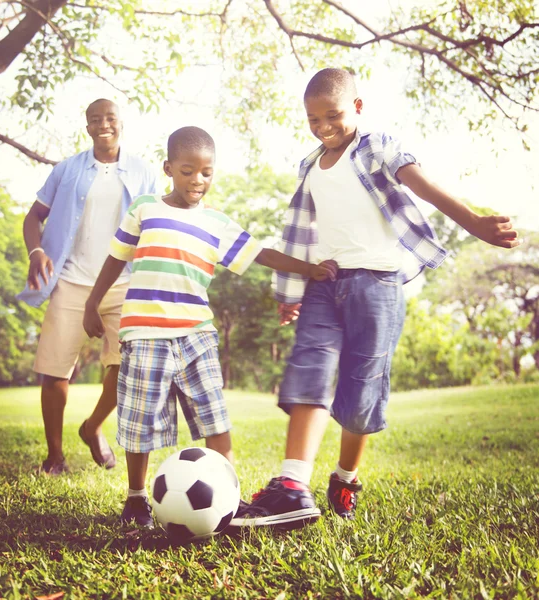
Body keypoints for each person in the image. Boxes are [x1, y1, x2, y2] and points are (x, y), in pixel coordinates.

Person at [232, 68, 521, 530]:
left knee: (363, 388)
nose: (323, 126)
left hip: (378, 284)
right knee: (309, 366)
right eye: (313, 119)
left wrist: (473, 223)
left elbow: (421, 184)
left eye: (334, 115)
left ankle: (345, 478)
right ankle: (291, 485)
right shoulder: (309, 167)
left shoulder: (377, 147)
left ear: (358, 109)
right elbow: (299, 233)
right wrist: (291, 293)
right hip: (325, 282)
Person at [82, 126, 338, 528]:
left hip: (197, 336)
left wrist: (308, 268)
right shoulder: (145, 209)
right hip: (144, 335)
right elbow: (116, 258)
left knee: (215, 420)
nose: (197, 181)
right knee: (139, 424)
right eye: (187, 171)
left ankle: (230, 502)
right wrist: (92, 303)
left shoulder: (217, 224)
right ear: (168, 168)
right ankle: (136, 498)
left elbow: (262, 254)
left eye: (206, 172)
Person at [18, 99, 158, 475]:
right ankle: (55, 456)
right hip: (70, 281)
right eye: (95, 119)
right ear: (87, 128)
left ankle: (92, 426)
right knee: (54, 370)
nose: (103, 124)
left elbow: (155, 226)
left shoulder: (143, 172)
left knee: (124, 365)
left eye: (110, 118)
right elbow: (34, 216)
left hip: (123, 283)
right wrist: (36, 251)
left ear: (121, 123)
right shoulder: (68, 170)